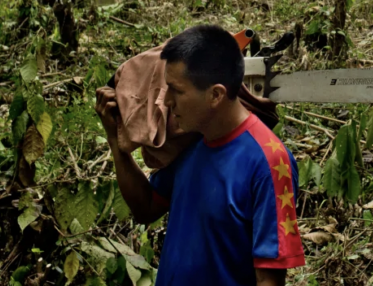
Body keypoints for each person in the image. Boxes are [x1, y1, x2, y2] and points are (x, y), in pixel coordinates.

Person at [95, 25, 305, 286]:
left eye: (176, 90)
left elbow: (269, 280)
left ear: (215, 95)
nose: (167, 101)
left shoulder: (270, 161)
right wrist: (117, 143)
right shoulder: (192, 142)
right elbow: (146, 208)